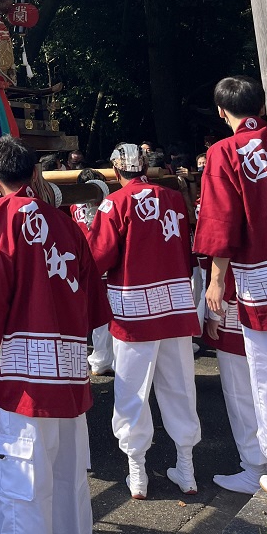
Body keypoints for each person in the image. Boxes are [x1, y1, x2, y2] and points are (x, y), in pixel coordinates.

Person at [0, 136, 112, 534]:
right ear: (33, 173)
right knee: (69, 479)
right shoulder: (65, 223)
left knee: (22, 488)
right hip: (69, 371)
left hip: (24, 380)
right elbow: (94, 302)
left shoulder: (0, 219)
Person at [87, 143, 200, 499]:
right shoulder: (173, 199)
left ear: (116, 172)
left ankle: (138, 471)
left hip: (134, 310)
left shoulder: (114, 204)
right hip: (176, 305)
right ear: (146, 169)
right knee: (180, 385)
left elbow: (97, 257)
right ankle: (187, 467)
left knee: (132, 388)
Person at [193, 75, 267, 502]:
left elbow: (221, 221)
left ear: (222, 112)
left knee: (266, 373)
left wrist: (215, 280)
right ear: (261, 107)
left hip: (260, 277)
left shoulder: (222, 152)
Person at [201, 264, 267, 492]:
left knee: (241, 396)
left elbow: (227, 255)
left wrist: (214, 311)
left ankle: (256, 468)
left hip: (238, 314)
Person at [71, 168, 115, 376]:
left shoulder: (73, 206)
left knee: (94, 313)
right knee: (106, 313)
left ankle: (100, 358)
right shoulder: (108, 205)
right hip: (101, 260)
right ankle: (104, 358)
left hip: (82, 263)